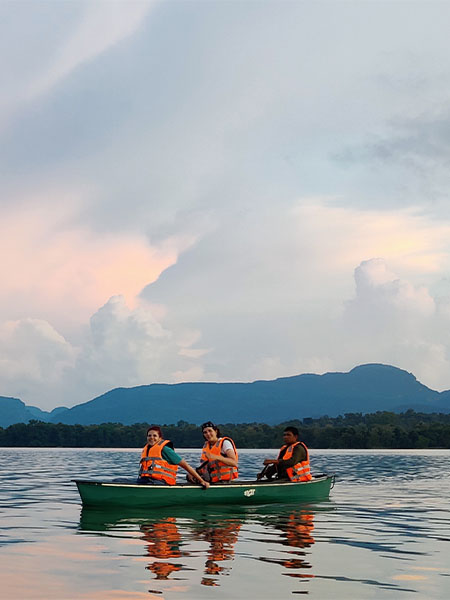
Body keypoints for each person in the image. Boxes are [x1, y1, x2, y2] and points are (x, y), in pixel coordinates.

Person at [137, 425, 209, 487]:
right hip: (148, 480)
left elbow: (185, 465)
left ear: (160, 438)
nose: (151, 438)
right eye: (149, 435)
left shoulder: (165, 450)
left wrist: (201, 481)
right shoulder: (146, 450)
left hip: (162, 482)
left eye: (155, 435)